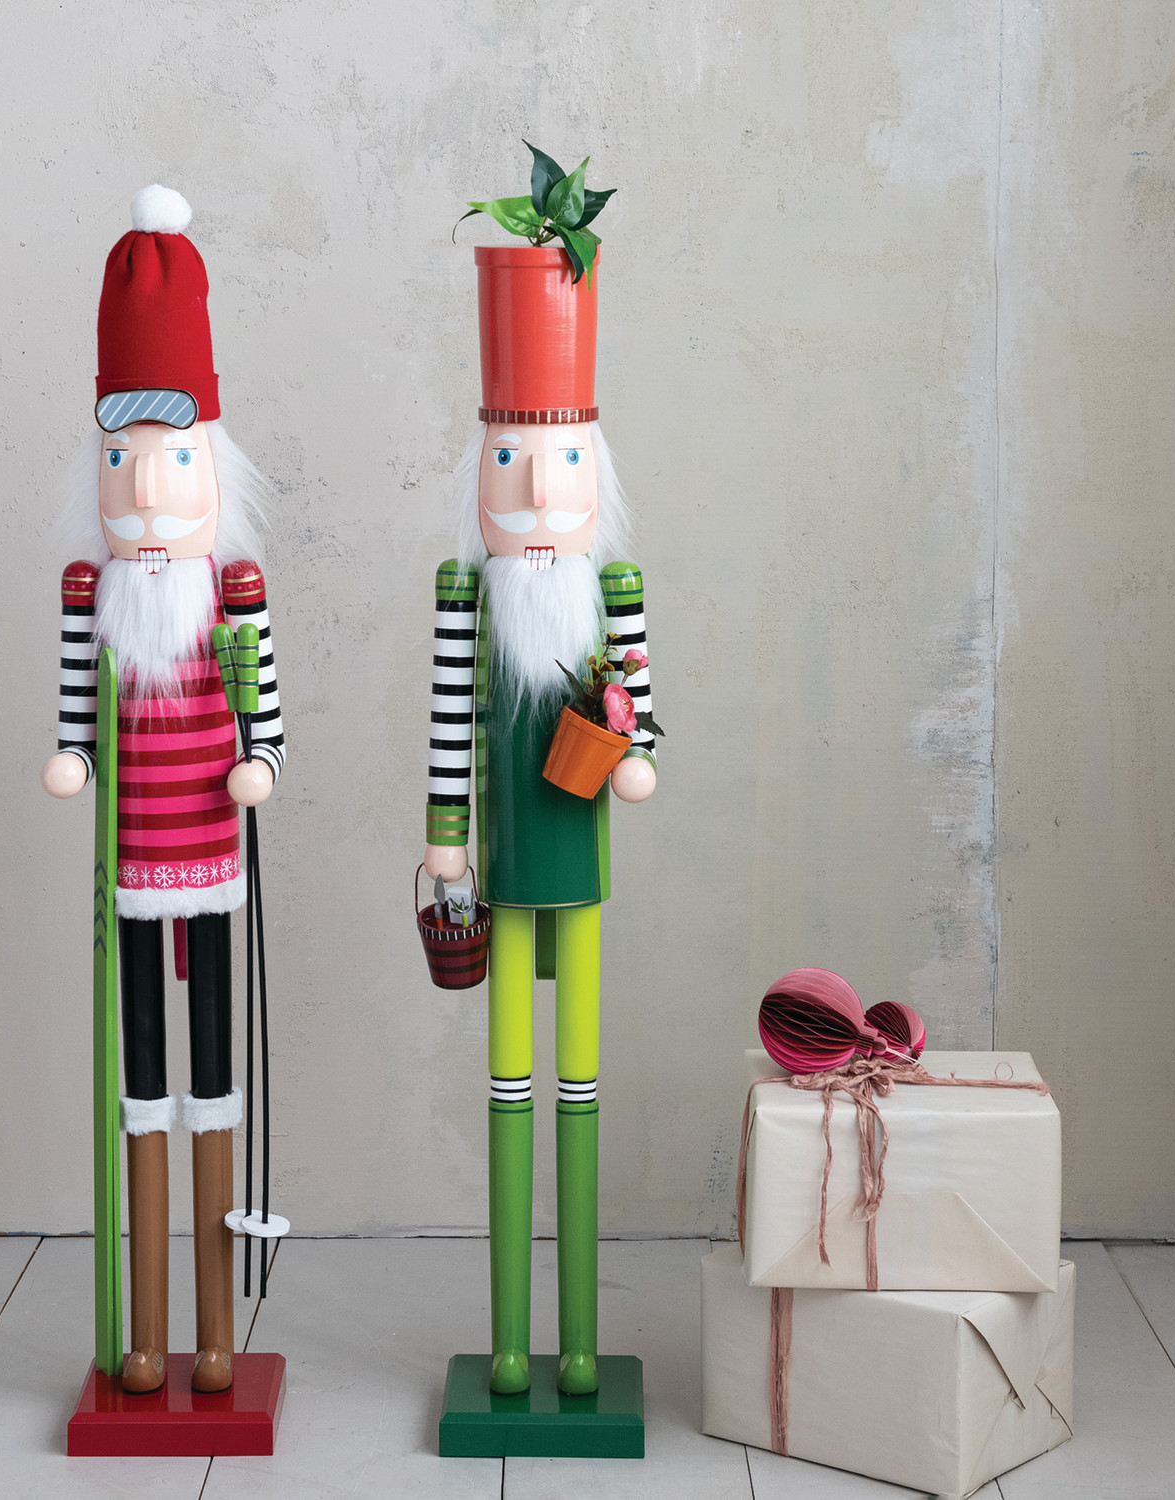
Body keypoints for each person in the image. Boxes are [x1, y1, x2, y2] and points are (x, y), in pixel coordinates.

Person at [42, 185, 284, 1394]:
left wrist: (260, 762)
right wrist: (75, 757)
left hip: (213, 865)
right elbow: (75, 716)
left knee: (216, 1076)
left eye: (173, 462)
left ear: (211, 469)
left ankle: (216, 1332)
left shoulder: (233, 600)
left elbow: (268, 722)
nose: (145, 494)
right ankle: (145, 1334)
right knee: (144, 1082)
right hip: (130, 870)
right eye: (124, 463)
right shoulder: (91, 599)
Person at [424, 245, 656, 1397]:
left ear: (594, 469)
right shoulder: (467, 594)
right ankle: (515, 1338)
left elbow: (640, 709)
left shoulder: (612, 590)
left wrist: (637, 755)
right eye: (511, 461)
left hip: (580, 853)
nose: (539, 495)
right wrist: (446, 831)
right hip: (506, 859)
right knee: (510, 1078)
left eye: (565, 462)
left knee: (580, 1085)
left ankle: (578, 1341)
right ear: (482, 466)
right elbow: (446, 722)